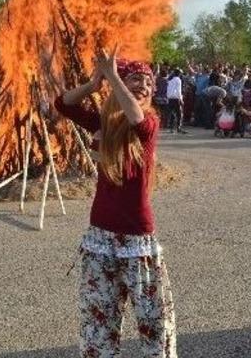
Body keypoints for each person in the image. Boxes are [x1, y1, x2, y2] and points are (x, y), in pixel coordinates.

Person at [55, 47, 176, 357]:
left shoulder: (149, 123)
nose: (144, 86)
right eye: (136, 79)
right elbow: (63, 104)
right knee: (98, 324)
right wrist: (93, 85)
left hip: (138, 239)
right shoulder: (102, 124)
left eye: (149, 82)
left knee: (154, 323)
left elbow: (136, 118)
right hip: (100, 237)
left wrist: (114, 76)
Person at [165, 69, 186, 134]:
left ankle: (171, 128)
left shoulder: (170, 80)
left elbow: (168, 89)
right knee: (179, 113)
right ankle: (178, 128)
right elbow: (179, 90)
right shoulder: (178, 80)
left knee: (172, 113)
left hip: (170, 98)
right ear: (179, 74)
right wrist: (181, 99)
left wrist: (168, 97)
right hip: (176, 98)